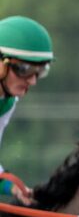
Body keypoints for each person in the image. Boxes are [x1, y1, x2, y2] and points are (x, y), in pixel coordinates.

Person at [0, 16, 55, 205]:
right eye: (24, 69)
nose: (32, 80)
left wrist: (12, 187)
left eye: (40, 71)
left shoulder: (6, 102)